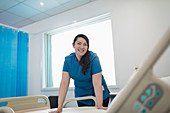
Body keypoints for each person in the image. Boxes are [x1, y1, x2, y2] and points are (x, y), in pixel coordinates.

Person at [50, 34, 110, 113]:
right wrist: (59, 108)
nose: (81, 47)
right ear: (73, 45)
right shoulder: (68, 60)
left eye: (85, 44)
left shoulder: (93, 58)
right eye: (79, 43)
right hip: (82, 97)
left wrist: (100, 105)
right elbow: (64, 83)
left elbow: (97, 83)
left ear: (87, 47)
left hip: (99, 96)